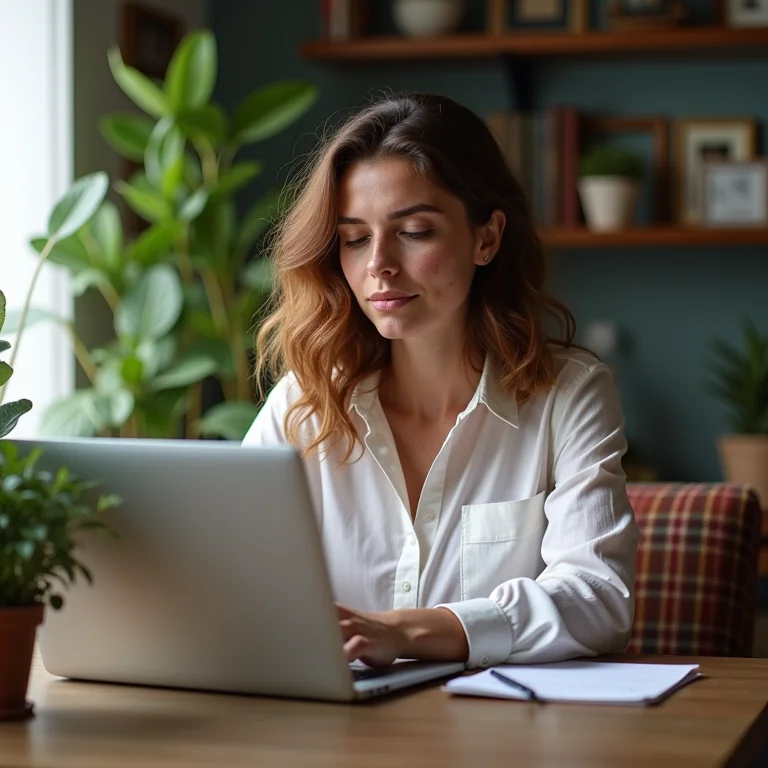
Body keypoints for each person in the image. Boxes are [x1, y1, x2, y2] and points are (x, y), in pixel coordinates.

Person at [243, 93, 638, 670]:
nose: (378, 263)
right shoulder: (304, 404)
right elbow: (225, 575)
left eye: (415, 231)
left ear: (486, 238)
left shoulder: (569, 394)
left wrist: (400, 632)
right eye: (354, 238)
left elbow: (597, 599)